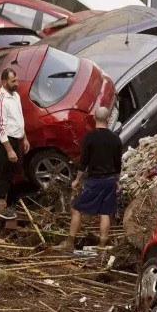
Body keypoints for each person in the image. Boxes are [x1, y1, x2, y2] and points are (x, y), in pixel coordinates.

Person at [61, 107, 122, 251]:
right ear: (108, 119)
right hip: (109, 181)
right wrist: (117, 181)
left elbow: (84, 162)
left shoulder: (90, 137)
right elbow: (118, 163)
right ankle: (102, 245)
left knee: (76, 209)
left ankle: (69, 243)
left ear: (94, 118)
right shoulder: (115, 139)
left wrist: (77, 180)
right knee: (105, 213)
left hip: (95, 181)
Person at [0, 68, 30, 220]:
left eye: (16, 80)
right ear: (4, 81)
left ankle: (5, 204)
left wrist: (24, 137)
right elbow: (0, 127)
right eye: (13, 81)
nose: (16, 84)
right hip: (3, 142)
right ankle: (0, 208)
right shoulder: (0, 101)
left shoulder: (16, 96)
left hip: (15, 139)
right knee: (4, 173)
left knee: (12, 172)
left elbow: (19, 119)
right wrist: (9, 150)